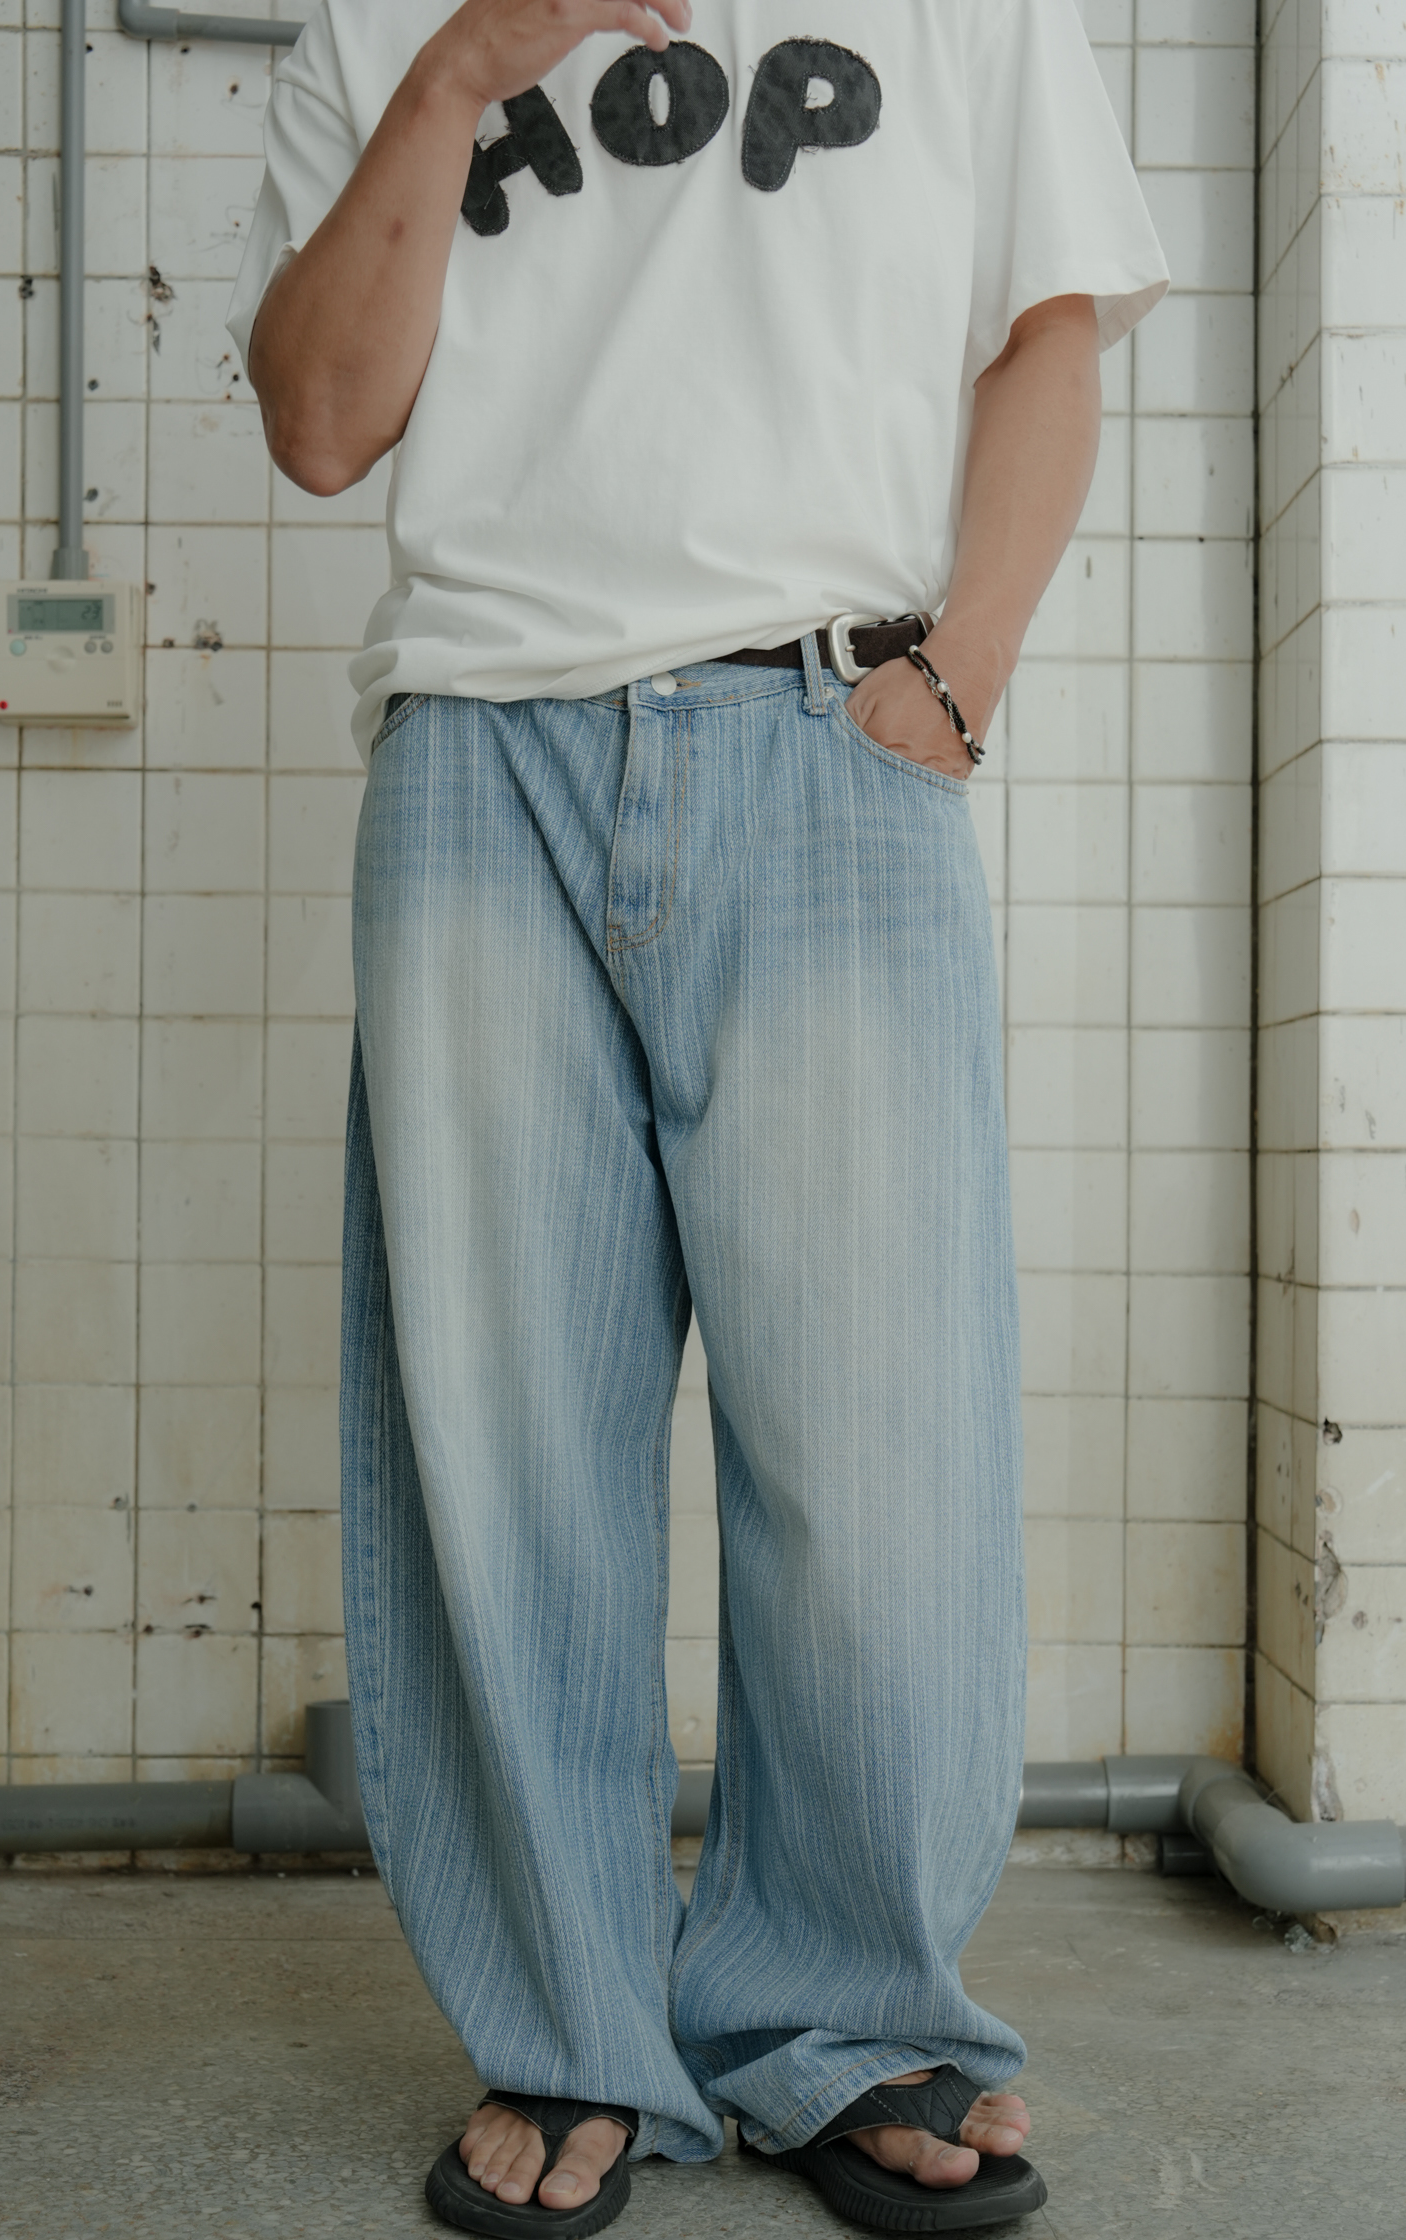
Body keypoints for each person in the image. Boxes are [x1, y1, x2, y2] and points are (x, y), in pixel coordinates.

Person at [229, 3, 1166, 2231]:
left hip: (828, 731)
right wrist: (459, 74)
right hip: (486, 749)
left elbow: (1047, 330)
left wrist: (957, 676)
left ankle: (843, 2015)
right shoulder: (379, 20)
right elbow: (323, 424)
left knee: (879, 1458)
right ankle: (570, 2030)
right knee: (505, 1455)